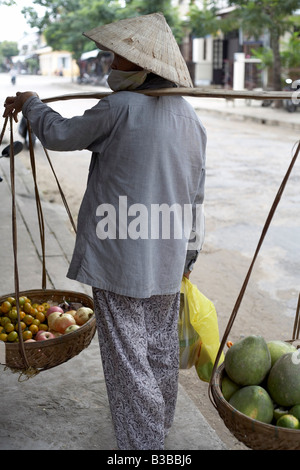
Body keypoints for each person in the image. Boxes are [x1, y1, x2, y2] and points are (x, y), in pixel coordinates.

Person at [3, 12, 206, 450]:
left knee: (127, 356)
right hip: (169, 254)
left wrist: (33, 104)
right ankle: (160, 425)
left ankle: (144, 443)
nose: (111, 63)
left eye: (121, 58)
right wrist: (190, 254)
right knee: (157, 348)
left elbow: (58, 133)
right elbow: (196, 195)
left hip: (122, 255)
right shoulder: (191, 118)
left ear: (145, 67)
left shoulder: (117, 108)